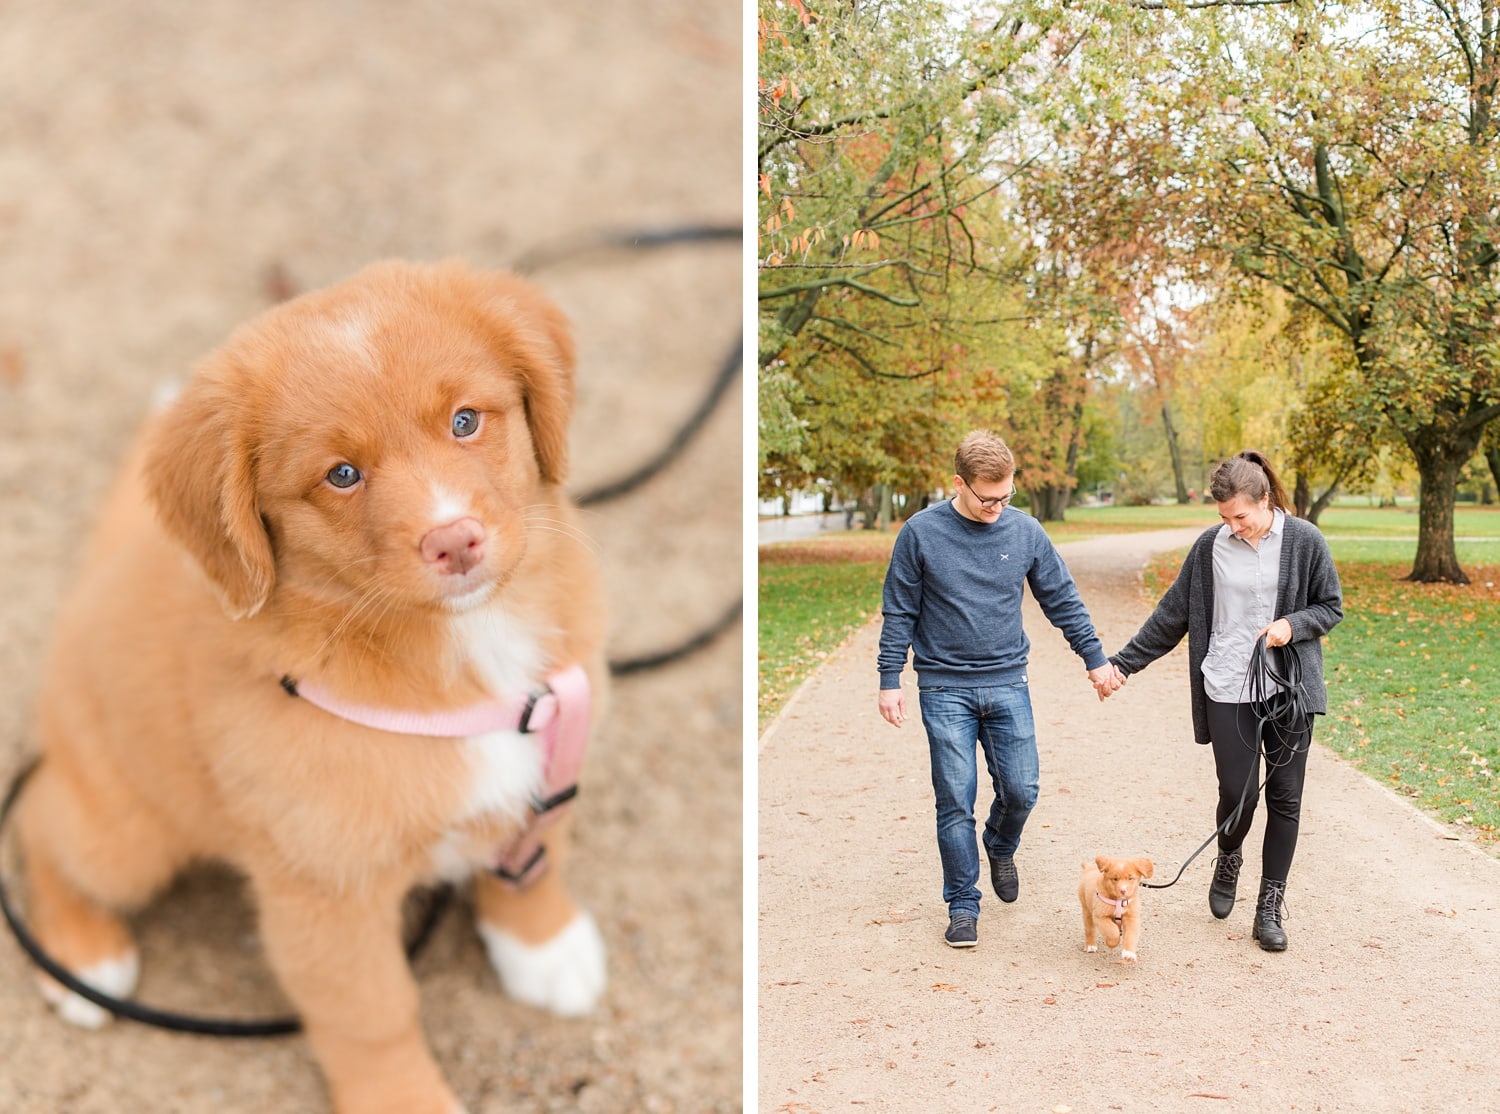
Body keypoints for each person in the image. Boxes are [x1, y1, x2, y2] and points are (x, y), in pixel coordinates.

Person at [877, 430, 1121, 949]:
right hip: (944, 687)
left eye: (1006, 495)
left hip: (1008, 680)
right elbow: (900, 609)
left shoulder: (1025, 532)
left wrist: (1095, 659)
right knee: (954, 800)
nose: (997, 506)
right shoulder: (920, 534)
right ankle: (963, 905)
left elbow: (1062, 599)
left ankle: (1000, 841)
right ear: (959, 483)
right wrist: (889, 679)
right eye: (987, 497)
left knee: (1022, 789)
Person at [1107, 450, 1343, 952]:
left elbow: (1330, 606)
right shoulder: (1210, 548)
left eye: (1241, 516)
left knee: (1286, 798)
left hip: (1289, 691)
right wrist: (1124, 664)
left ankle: (1269, 906)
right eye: (1224, 518)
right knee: (1239, 794)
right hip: (1229, 685)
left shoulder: (1304, 540)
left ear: (1266, 500)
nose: (1233, 526)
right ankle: (1229, 855)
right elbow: (1173, 614)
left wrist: (1291, 625)